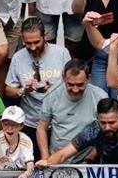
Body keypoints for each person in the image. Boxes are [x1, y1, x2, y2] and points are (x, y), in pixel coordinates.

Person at [4, 16, 72, 155]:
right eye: (28, 43)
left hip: (58, 122)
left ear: (45, 35)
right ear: (22, 39)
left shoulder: (61, 53)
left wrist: (52, 88)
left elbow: (73, 85)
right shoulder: (18, 57)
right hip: (31, 122)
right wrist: (24, 90)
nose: (33, 47)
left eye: (37, 42)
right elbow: (8, 90)